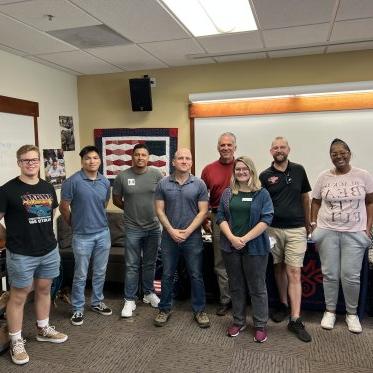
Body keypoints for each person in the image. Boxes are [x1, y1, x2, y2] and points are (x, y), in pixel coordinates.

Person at [0, 145, 67, 365]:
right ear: (19, 162)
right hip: (21, 253)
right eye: (25, 160)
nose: (30, 163)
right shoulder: (7, 190)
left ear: (40, 162)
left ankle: (43, 328)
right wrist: (10, 237)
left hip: (48, 250)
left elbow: (52, 213)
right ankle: (16, 340)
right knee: (18, 296)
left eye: (34, 160)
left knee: (44, 289)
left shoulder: (48, 187)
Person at [310, 138, 373, 333]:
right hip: (328, 232)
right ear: (330, 156)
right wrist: (314, 226)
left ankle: (351, 314)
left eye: (342, 152)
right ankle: (329, 311)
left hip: (355, 233)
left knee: (350, 276)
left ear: (349, 153)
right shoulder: (324, 177)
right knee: (330, 274)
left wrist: (368, 228)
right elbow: (315, 202)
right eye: (334, 154)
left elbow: (370, 202)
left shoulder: (363, 176)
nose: (339, 156)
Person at [259, 136, 312, 343]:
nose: (279, 150)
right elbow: (261, 202)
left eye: (282, 147)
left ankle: (296, 318)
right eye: (276, 148)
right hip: (272, 229)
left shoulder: (299, 170)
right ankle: (282, 304)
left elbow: (305, 197)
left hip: (296, 229)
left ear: (289, 149)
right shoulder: (264, 175)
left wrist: (308, 223)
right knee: (278, 267)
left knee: (294, 270)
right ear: (270, 151)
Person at [217, 156, 273, 343]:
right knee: (236, 286)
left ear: (251, 171)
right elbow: (220, 216)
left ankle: (259, 325)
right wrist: (233, 238)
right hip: (230, 247)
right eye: (238, 169)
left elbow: (266, 219)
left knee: (257, 287)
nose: (241, 172)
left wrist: (245, 239)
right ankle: (238, 321)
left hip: (255, 247)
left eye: (245, 169)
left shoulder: (262, 193)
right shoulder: (228, 193)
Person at [153, 148, 210, 328]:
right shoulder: (163, 183)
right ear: (173, 162)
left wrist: (187, 231)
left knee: (196, 275)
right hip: (169, 237)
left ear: (191, 162)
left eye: (188, 158)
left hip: (192, 238)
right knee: (168, 274)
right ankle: (164, 309)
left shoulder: (199, 184)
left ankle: (199, 310)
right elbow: (159, 210)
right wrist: (171, 230)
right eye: (180, 158)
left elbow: (203, 212)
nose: (184, 161)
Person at [60, 146, 112, 326]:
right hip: (82, 236)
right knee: (81, 274)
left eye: (95, 158)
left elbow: (103, 203)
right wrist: (74, 225)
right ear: (82, 161)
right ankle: (78, 309)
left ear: (100, 160)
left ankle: (97, 302)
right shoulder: (72, 182)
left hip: (103, 233)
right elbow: (63, 208)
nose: (92, 161)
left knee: (100, 272)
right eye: (88, 158)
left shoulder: (105, 182)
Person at [112, 143, 163, 317]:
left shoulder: (157, 174)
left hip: (154, 227)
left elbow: (163, 197)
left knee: (150, 263)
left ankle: (148, 293)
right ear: (132, 157)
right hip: (133, 228)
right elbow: (116, 200)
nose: (140, 158)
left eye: (143, 155)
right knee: (132, 265)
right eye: (137, 155)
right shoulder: (122, 176)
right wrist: (131, 208)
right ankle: (130, 299)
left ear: (148, 157)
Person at [201, 132, 236, 316]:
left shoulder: (242, 167)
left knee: (241, 260)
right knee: (220, 261)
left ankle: (240, 299)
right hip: (216, 218)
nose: (226, 148)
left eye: (229, 145)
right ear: (218, 148)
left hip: (240, 219)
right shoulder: (208, 170)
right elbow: (202, 198)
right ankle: (225, 299)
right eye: (222, 145)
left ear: (235, 147)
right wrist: (205, 218)